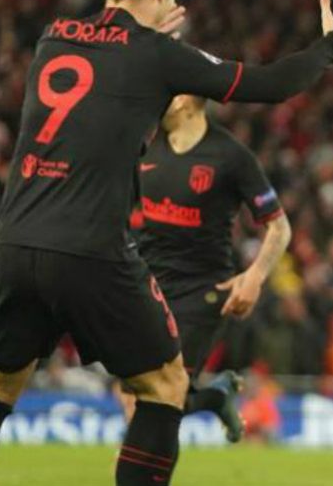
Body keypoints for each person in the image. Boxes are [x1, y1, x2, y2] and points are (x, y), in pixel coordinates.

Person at [0, 0, 333, 486]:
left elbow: (110, 68)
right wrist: (331, 46)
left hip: (16, 241)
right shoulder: (158, 54)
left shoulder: (53, 37)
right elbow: (270, 84)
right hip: (90, 250)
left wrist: (151, 40)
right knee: (165, 390)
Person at [118, 94, 292, 443]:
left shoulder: (230, 156)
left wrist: (254, 277)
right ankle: (213, 396)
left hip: (204, 290)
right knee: (131, 391)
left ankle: (134, 471)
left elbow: (280, 227)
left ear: (185, 102)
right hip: (148, 281)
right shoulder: (144, 145)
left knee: (158, 399)